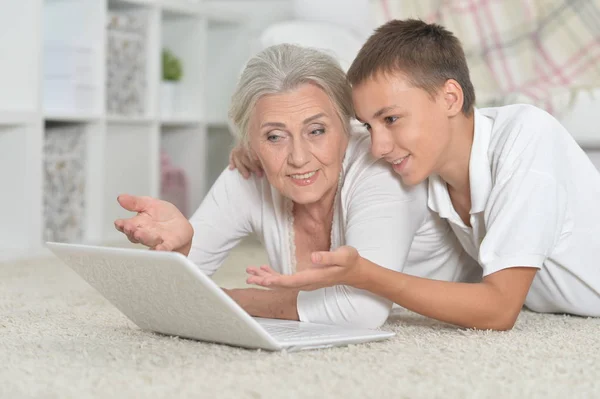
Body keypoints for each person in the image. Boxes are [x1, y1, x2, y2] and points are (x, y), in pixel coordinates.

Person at [243, 20, 600, 330]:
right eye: (369, 125)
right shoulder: (425, 163)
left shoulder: (526, 137)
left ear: (449, 98)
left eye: (391, 119)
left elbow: (500, 309)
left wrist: (369, 276)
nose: (377, 146)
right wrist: (256, 146)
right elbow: (338, 139)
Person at [114, 43, 477, 329]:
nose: (299, 157)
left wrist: (225, 301)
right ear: (250, 143)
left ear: (347, 127)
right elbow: (163, 299)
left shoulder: (380, 167)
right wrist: (180, 250)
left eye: (317, 130)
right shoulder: (249, 172)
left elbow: (361, 310)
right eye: (274, 136)